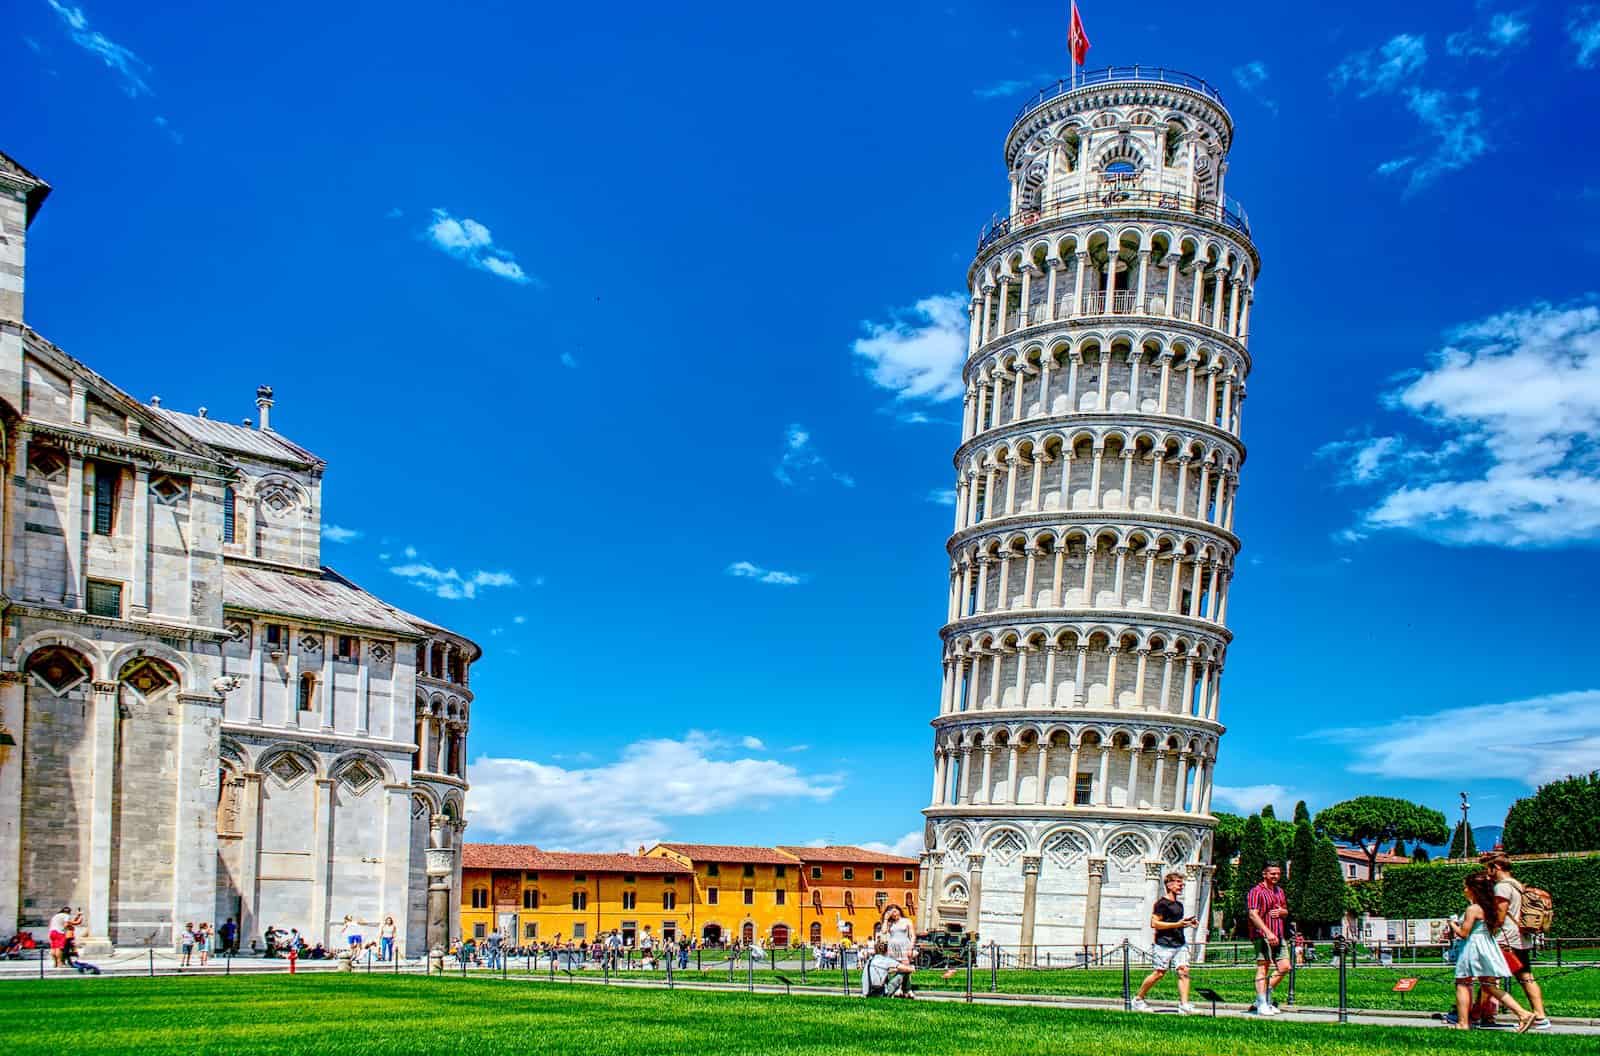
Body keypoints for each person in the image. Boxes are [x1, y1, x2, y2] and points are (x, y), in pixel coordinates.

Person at [1449, 871, 1535, 1033]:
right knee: (1489, 985)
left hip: (1473, 947)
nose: (1464, 890)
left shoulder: (1473, 909)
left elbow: (1464, 933)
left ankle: (1462, 1023)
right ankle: (1523, 1013)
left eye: (1466, 887)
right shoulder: (1490, 908)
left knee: (1462, 982)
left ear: (1473, 889)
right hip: (1488, 945)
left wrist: (1452, 924)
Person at [1483, 852, 1551, 1031]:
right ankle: (1541, 1016)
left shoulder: (1502, 888)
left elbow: (1500, 916)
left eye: (1488, 868)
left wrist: (1489, 930)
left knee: (1489, 979)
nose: (1487, 873)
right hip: (1522, 937)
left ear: (1496, 867)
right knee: (1526, 977)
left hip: (1506, 938)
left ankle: (1484, 1014)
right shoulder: (1519, 886)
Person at [1132, 871, 1197, 1014]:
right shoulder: (1161, 904)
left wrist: (1187, 923)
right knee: (1159, 973)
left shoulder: (1179, 905)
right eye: (1179, 883)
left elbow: (1176, 923)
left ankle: (1184, 1005)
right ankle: (1138, 999)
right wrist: (1177, 924)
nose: (1182, 886)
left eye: (1182, 883)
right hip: (1164, 943)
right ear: (1169, 884)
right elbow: (1154, 924)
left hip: (1180, 943)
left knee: (1184, 971)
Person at [1245, 862, 1291, 1015]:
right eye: (1272, 873)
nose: (1276, 876)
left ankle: (1264, 993)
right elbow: (1253, 914)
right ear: (1264, 874)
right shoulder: (1256, 891)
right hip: (1262, 935)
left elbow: (1285, 911)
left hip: (1279, 934)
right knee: (1263, 967)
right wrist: (1267, 932)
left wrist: (1282, 912)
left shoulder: (1279, 891)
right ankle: (1262, 1002)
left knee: (1285, 967)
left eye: (1278, 873)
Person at [880, 904, 918, 997]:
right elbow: (884, 931)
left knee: (905, 968)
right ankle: (903, 990)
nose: (894, 914)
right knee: (897, 968)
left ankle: (905, 989)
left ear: (899, 911)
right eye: (891, 912)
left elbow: (912, 935)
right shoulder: (890, 923)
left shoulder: (907, 921)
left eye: (895, 911)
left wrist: (911, 947)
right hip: (893, 948)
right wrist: (885, 919)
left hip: (905, 946)